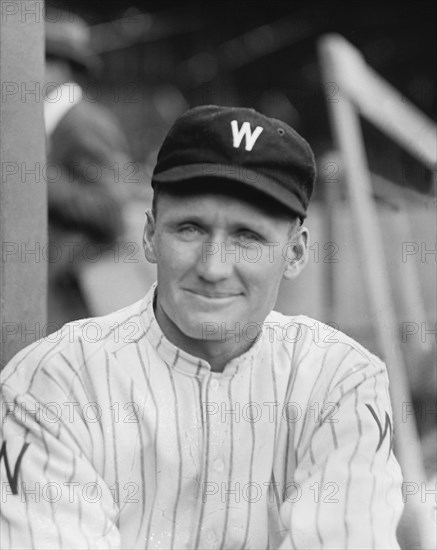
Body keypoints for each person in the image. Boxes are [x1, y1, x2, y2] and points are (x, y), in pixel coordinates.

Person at [0, 105, 404, 549]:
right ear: (151, 235)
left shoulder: (341, 381)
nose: (214, 268)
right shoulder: (56, 381)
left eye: (248, 236)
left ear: (295, 253)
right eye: (190, 228)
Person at [44, 12, 132, 328]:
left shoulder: (83, 125)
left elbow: (110, 210)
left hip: (71, 300)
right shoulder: (49, 123)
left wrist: (39, 176)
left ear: (54, 67)